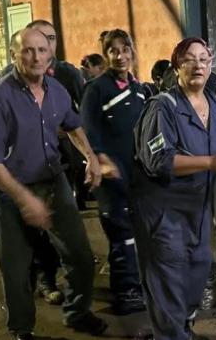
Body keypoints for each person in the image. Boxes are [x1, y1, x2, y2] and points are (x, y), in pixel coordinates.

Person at [0, 28, 108, 339]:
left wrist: (91, 157)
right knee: (16, 267)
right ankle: (22, 329)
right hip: (11, 190)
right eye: (27, 50)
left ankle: (78, 313)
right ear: (14, 55)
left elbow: (73, 126)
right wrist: (25, 199)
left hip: (52, 181)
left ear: (50, 55)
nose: (35, 57)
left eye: (41, 50)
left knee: (80, 256)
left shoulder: (56, 90)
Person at [132, 37, 216, 340]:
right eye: (189, 59)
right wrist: (211, 162)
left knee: (197, 272)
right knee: (168, 282)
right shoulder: (162, 107)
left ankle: (182, 329)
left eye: (204, 59)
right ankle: (171, 334)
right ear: (177, 66)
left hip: (199, 210)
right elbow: (158, 161)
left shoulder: (215, 105)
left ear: (211, 65)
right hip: (164, 212)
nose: (198, 65)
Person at [0, 20, 88, 305]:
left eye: (51, 39)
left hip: (61, 162)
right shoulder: (6, 80)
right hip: (23, 168)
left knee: (61, 224)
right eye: (40, 40)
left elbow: (78, 115)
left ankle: (69, 284)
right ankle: (43, 277)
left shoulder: (68, 74)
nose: (46, 46)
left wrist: (90, 156)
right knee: (33, 228)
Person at [80, 29, 148, 314]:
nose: (120, 56)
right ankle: (126, 293)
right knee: (121, 233)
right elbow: (86, 130)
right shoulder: (96, 90)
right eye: (113, 51)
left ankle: (137, 285)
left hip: (137, 176)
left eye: (125, 49)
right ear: (106, 55)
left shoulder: (140, 90)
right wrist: (101, 159)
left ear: (132, 51)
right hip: (111, 178)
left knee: (138, 233)